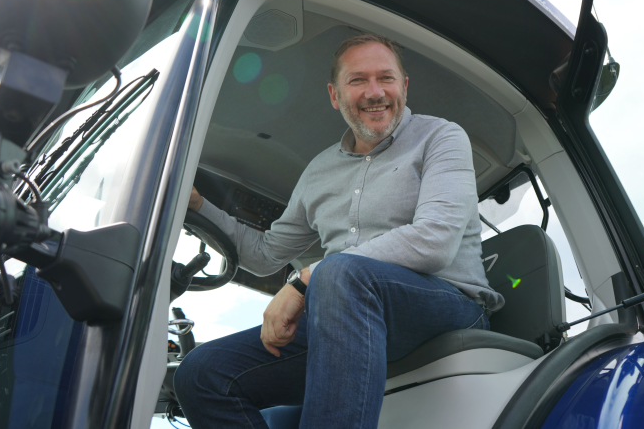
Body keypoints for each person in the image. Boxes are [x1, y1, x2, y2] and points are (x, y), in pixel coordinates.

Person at [174, 34, 505, 429]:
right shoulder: (317, 171)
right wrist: (197, 207)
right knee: (202, 374)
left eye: (386, 78)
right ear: (335, 95)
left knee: (337, 273)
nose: (375, 92)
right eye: (358, 80)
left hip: (447, 306)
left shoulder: (442, 137)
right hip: (342, 318)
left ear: (404, 85)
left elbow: (434, 240)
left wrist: (307, 279)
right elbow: (264, 255)